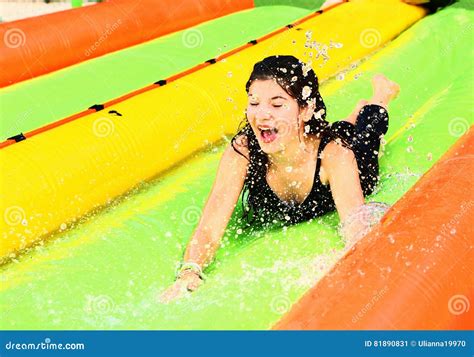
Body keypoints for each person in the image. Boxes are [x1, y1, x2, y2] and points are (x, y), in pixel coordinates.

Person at [160, 55, 399, 303]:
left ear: (305, 109)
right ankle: (351, 115)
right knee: (341, 130)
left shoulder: (335, 156)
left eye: (276, 105)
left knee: (367, 135)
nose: (262, 116)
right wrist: (190, 272)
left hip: (353, 164)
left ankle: (381, 96)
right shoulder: (243, 151)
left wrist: (337, 258)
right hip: (312, 135)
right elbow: (209, 228)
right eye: (254, 103)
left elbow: (356, 227)